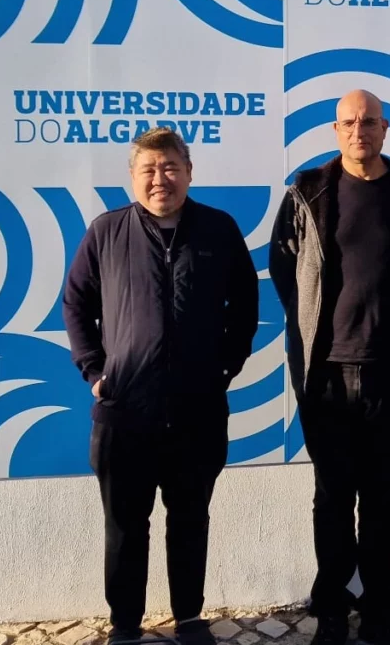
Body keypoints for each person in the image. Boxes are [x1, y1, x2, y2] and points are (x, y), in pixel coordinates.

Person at [62, 127, 259, 645]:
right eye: (148, 170)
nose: (159, 179)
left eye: (170, 167)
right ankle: (125, 626)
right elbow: (75, 301)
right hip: (125, 412)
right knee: (126, 527)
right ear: (132, 178)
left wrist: (225, 367)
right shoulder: (106, 231)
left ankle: (189, 618)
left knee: (190, 519)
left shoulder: (218, 229)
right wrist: (94, 370)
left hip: (197, 409)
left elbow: (245, 305)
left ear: (189, 172)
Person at [269, 90, 390, 645]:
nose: (359, 130)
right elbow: (284, 272)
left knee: (383, 495)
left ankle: (380, 606)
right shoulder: (307, 190)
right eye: (349, 122)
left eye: (369, 122)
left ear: (385, 129)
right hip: (327, 375)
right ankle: (333, 606)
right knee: (333, 495)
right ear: (335, 130)